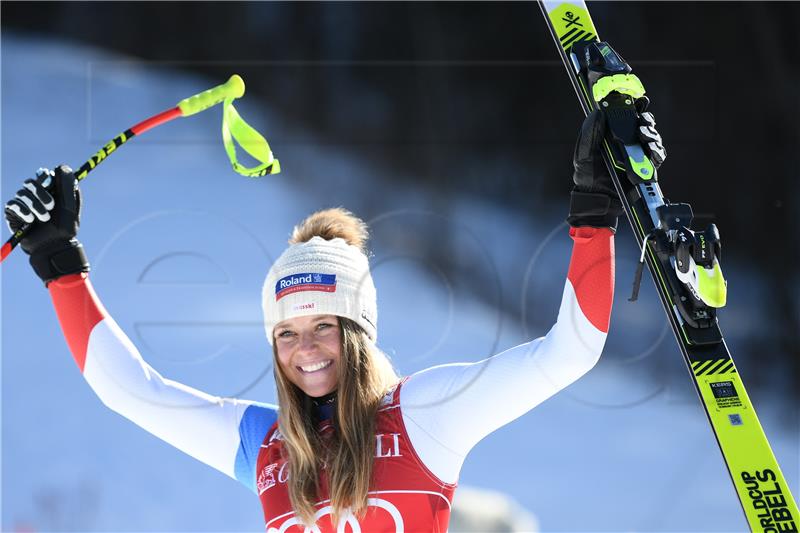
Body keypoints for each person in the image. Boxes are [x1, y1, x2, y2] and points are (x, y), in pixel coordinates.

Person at [5, 110, 664, 532]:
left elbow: (570, 351)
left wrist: (593, 206)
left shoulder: (423, 415)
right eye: (286, 333)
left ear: (357, 331)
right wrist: (59, 261)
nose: (305, 349)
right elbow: (128, 388)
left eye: (323, 325)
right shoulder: (266, 448)